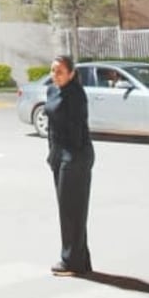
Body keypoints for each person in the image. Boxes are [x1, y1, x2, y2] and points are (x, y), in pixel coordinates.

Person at [44, 54, 94, 276]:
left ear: (72, 74)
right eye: (53, 70)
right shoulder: (52, 90)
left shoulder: (76, 95)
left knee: (72, 211)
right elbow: (52, 126)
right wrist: (53, 154)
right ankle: (80, 260)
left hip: (75, 156)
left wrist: (69, 158)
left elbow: (75, 132)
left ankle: (72, 261)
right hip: (59, 155)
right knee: (68, 209)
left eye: (60, 72)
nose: (55, 75)